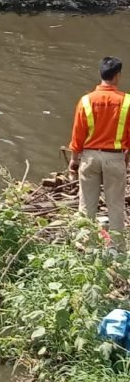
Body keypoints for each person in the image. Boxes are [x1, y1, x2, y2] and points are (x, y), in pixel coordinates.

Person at [69, 56, 130, 246]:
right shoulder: (126, 101)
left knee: (86, 207)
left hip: (89, 157)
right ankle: (117, 252)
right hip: (115, 158)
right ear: (118, 76)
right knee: (116, 206)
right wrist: (126, 158)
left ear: (100, 74)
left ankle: (86, 249)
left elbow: (77, 134)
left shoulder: (86, 101)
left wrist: (74, 160)